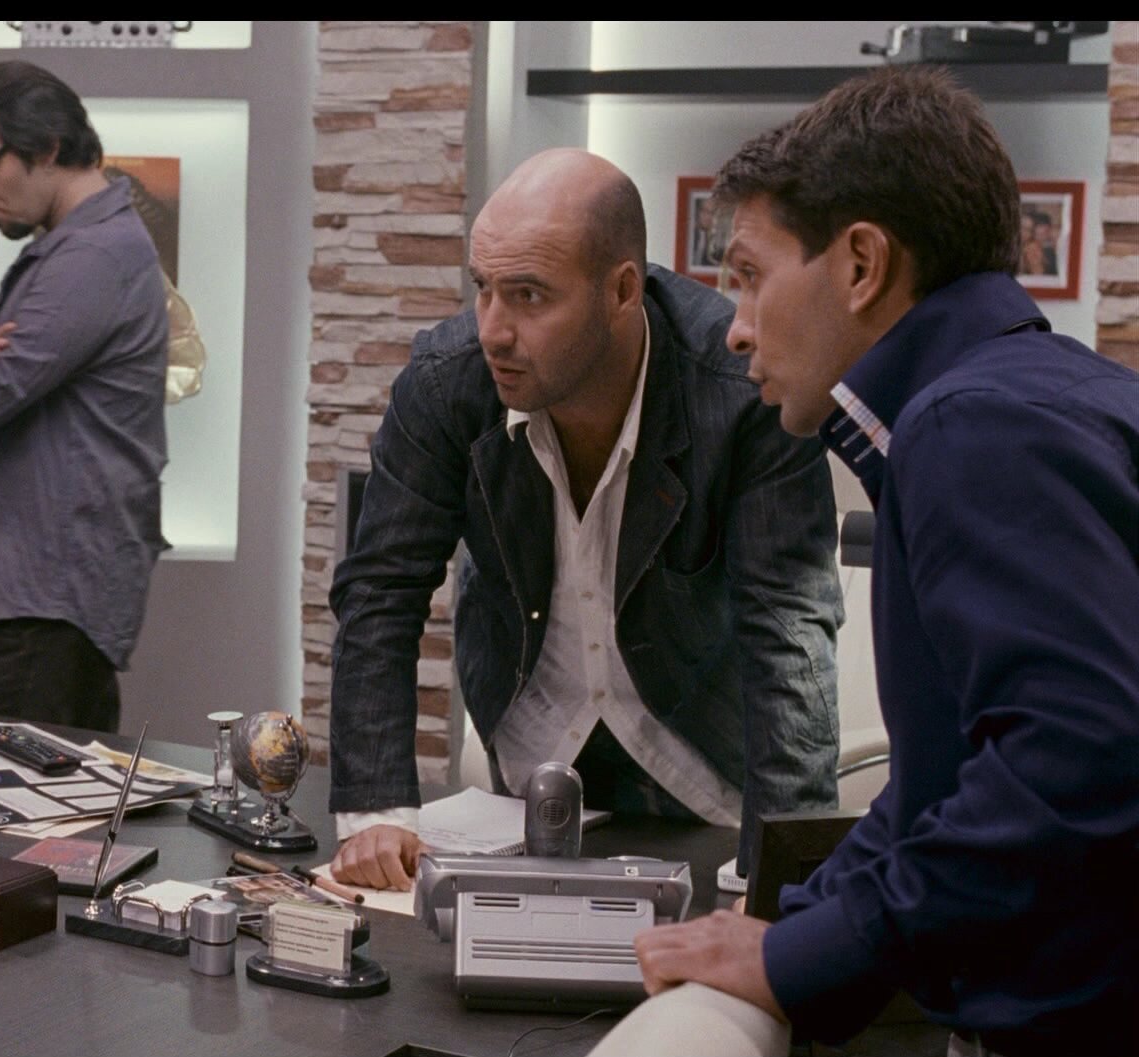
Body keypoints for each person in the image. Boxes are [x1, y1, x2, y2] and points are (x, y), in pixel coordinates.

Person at [628, 65, 1139, 1057]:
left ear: (861, 264)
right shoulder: (1048, 393)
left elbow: (1076, 758)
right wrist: (801, 931)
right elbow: (946, 785)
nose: (735, 327)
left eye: (749, 276)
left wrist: (806, 955)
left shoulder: (970, 425)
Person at [327, 149, 843, 890]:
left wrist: (782, 881)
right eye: (483, 288)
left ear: (623, 290)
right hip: (529, 764)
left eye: (529, 296)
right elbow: (381, 591)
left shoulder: (738, 390)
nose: (493, 330)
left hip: (705, 767)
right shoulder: (447, 384)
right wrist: (376, 811)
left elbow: (788, 635)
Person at [0, 60, 169, 735]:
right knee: (48, 802)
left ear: (48, 146)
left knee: (8, 803)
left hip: (40, 610)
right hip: (40, 604)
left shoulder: (93, 255)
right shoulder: (72, 250)